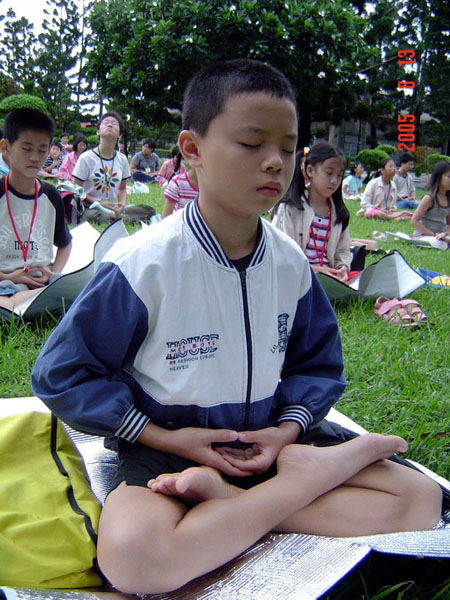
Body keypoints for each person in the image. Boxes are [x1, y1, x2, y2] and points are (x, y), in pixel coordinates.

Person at [31, 59, 442, 595]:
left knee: (419, 500)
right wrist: (166, 438)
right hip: (171, 449)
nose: (275, 162)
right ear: (192, 149)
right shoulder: (142, 264)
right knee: (134, 558)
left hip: (274, 440)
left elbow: (317, 365)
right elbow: (62, 374)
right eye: (251, 143)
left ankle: (235, 504)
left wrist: (285, 433)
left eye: (288, 148)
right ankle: (289, 491)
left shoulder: (290, 263)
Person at [0, 108, 72, 311]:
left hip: (40, 281)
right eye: (26, 148)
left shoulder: (51, 196)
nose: (34, 157)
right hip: (4, 278)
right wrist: (9, 276)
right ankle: (14, 302)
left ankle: (17, 302)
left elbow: (65, 244)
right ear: (6, 147)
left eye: (42, 150)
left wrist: (54, 273)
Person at [271, 143, 352, 281]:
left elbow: (343, 250)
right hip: (297, 276)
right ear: (310, 171)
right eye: (329, 173)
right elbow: (283, 254)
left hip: (330, 277)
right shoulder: (290, 208)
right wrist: (315, 270)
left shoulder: (339, 213)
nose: (334, 181)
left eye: (339, 175)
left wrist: (342, 267)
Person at [72, 111, 130, 223]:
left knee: (148, 210)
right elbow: (76, 189)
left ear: (120, 134)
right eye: (106, 122)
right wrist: (98, 203)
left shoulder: (122, 159)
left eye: (114, 123)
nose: (110, 125)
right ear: (98, 131)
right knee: (93, 216)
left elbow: (122, 188)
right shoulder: (86, 158)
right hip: (90, 206)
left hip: (112, 207)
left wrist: (121, 205)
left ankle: (115, 215)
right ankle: (116, 217)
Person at [410, 160, 450, 249]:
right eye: (449, 177)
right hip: (425, 236)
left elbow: (449, 224)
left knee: (442, 243)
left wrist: (446, 235)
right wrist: (434, 234)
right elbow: (414, 221)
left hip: (440, 237)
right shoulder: (429, 198)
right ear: (439, 177)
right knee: (438, 244)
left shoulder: (448, 199)